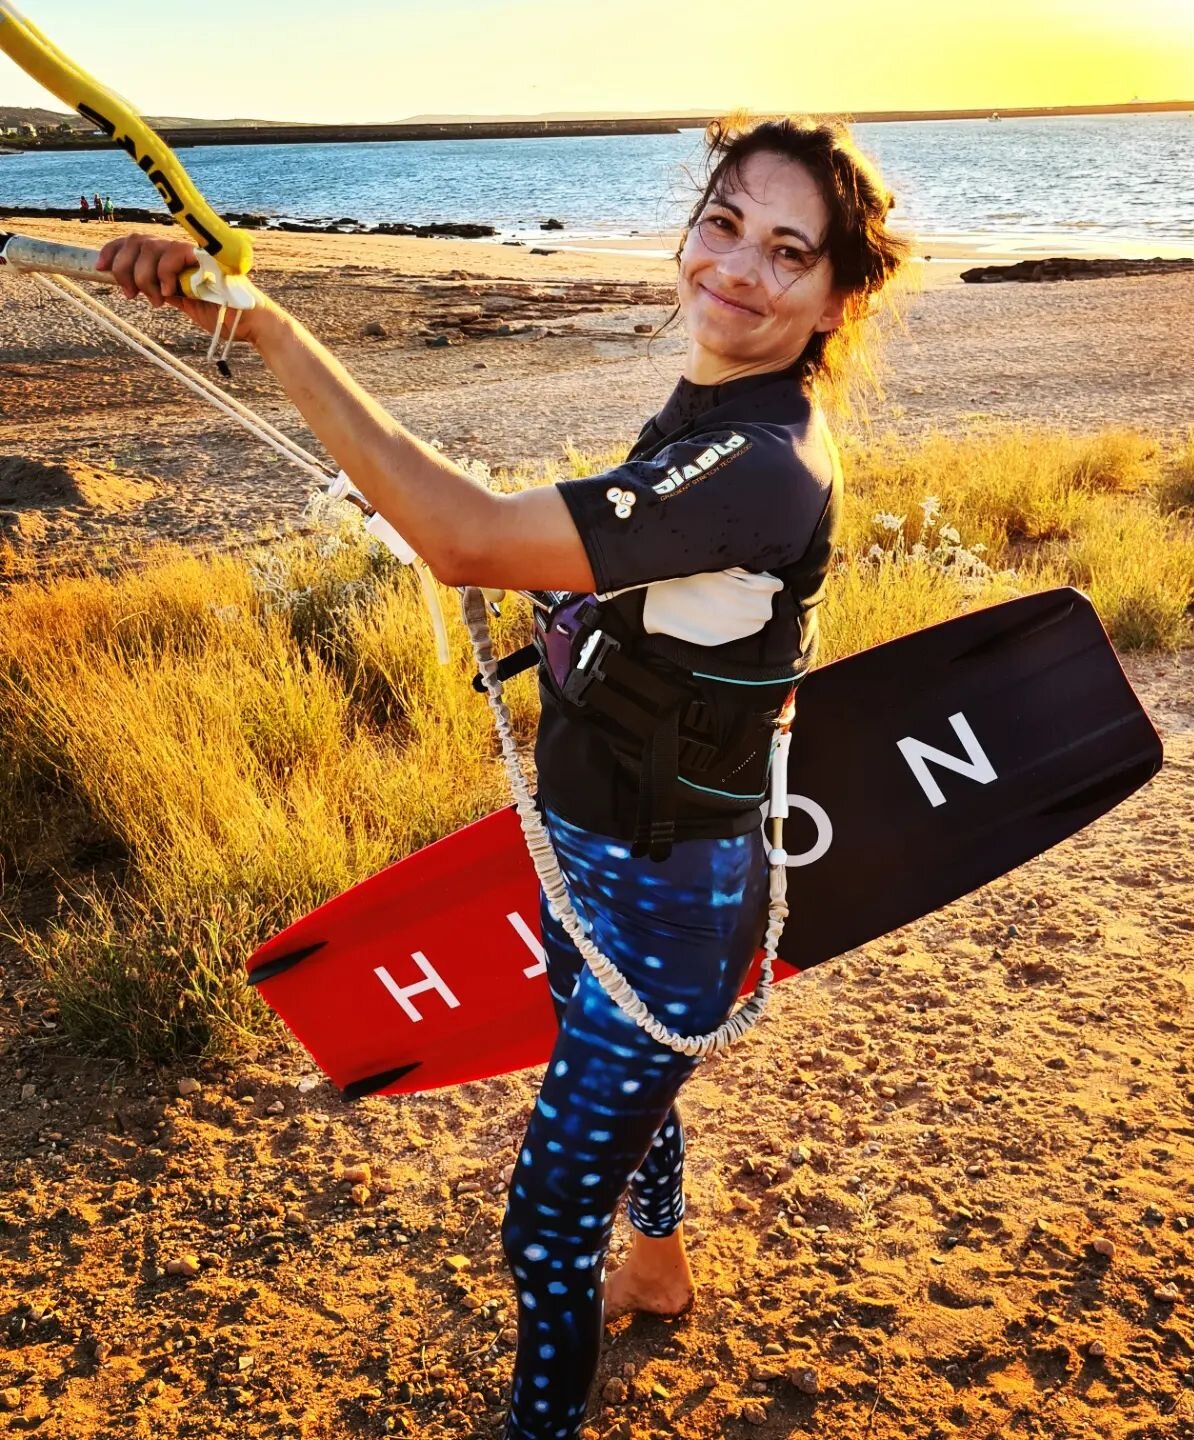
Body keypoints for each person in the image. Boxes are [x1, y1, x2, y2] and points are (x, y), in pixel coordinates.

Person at [99, 113, 907, 1440]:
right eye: (723, 225)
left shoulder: (761, 460)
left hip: (664, 904)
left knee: (542, 1221)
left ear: (833, 298)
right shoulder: (716, 406)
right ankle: (658, 1264)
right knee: (620, 1098)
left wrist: (265, 327)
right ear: (691, 225)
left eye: (788, 252)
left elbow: (469, 537)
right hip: (586, 861)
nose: (739, 270)